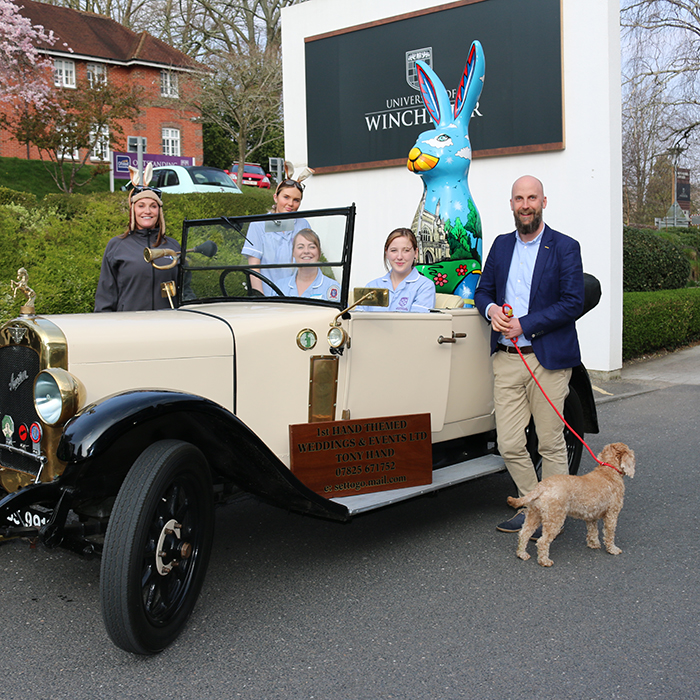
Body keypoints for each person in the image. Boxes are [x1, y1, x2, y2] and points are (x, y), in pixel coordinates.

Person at [474, 175, 585, 534]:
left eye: (532, 198)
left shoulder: (565, 247)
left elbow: (572, 302)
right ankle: (533, 503)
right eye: (519, 198)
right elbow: (482, 292)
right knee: (508, 443)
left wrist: (525, 324)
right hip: (506, 358)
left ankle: (552, 513)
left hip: (547, 358)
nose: (525, 204)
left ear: (543, 202)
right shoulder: (501, 246)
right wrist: (491, 310)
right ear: (511, 204)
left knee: (551, 442)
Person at [94, 178, 180, 312]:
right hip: (130, 327)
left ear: (159, 211)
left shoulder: (173, 246)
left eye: (153, 206)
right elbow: (105, 295)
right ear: (133, 210)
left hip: (167, 326)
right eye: (141, 206)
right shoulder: (117, 246)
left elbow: (185, 290)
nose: (147, 211)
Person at [242, 178, 310, 295]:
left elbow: (308, 262)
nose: (290, 204)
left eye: (296, 200)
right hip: (268, 297)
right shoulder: (258, 225)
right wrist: (259, 297)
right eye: (286, 197)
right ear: (275, 197)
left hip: (296, 296)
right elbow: (254, 267)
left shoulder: (303, 225)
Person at [363, 228, 436, 312]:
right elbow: (358, 321)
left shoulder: (425, 287)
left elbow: (417, 323)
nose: (399, 257)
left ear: (416, 253)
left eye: (406, 250)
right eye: (394, 250)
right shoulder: (372, 286)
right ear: (386, 253)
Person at [276, 229, 340, 301]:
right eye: (300, 247)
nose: (306, 251)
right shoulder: (279, 286)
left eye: (312, 247)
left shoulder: (333, 287)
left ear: (319, 252)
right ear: (293, 252)